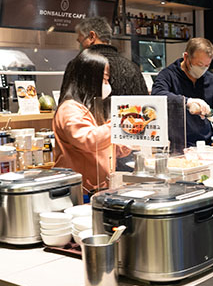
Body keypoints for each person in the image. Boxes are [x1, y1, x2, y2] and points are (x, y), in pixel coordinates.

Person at [53, 49, 114, 192]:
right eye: (104, 79)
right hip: (79, 190)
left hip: (98, 187)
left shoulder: (92, 107)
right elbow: (89, 140)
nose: (107, 85)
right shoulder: (69, 109)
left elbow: (105, 144)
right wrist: (119, 124)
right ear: (89, 79)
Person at [150, 37, 213, 146]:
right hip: (174, 146)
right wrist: (187, 101)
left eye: (207, 65)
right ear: (186, 57)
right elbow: (157, 96)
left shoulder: (211, 81)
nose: (203, 69)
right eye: (200, 65)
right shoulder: (168, 75)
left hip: (204, 145)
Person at [73, 17, 149, 96]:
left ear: (92, 36)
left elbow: (67, 103)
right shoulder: (133, 67)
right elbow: (146, 103)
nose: (80, 45)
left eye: (80, 41)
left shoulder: (78, 65)